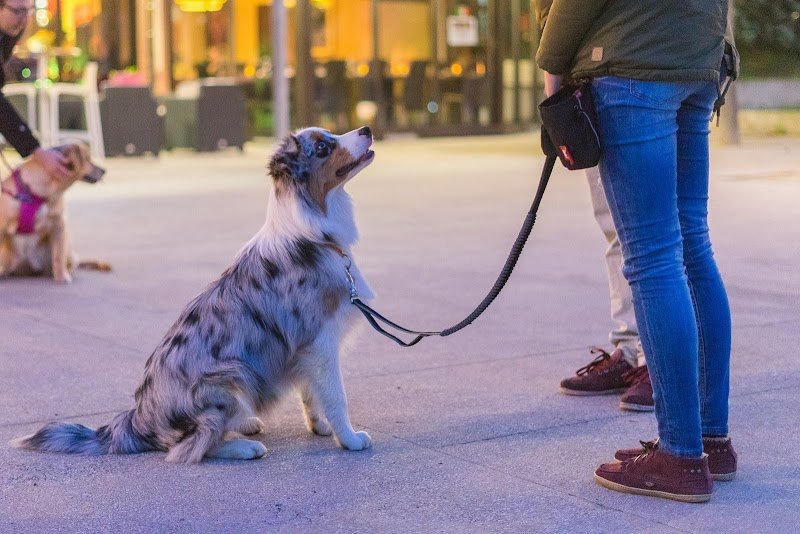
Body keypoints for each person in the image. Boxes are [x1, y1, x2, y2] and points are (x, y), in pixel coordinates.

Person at [536, 0, 738, 502]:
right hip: (695, 60)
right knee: (692, 246)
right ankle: (711, 443)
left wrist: (551, 77)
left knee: (653, 258)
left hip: (631, 67)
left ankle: (680, 455)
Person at [534, 1, 654, 413]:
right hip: (654, 70)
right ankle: (634, 351)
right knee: (623, 230)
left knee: (645, 236)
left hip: (622, 75)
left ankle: (659, 363)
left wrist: (552, 77)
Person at [0, 0, 69, 178]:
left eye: (28, 11)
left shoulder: (8, 33)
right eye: (17, 11)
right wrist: (35, 150)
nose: (23, 19)